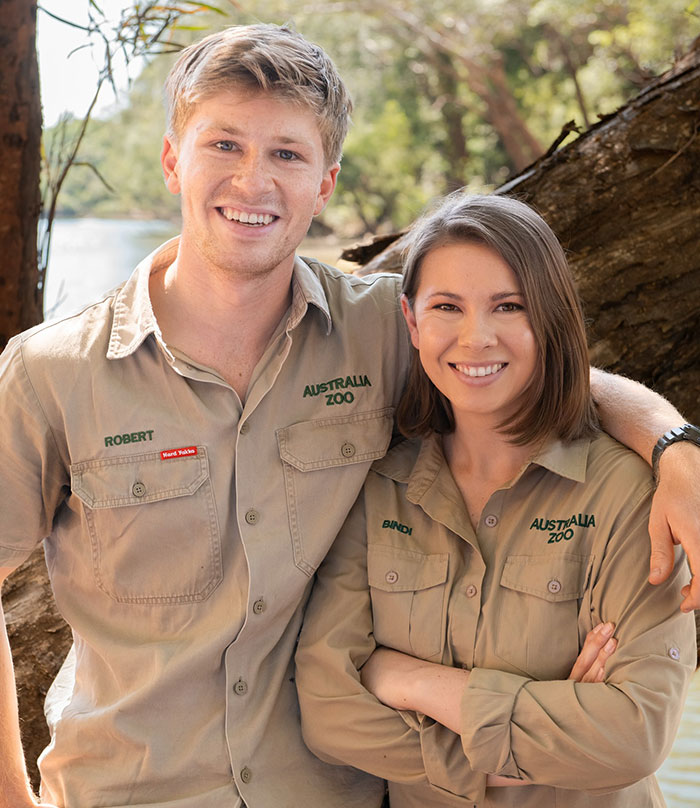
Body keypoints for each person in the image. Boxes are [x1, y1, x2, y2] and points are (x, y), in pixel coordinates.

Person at [0, 22, 697, 808]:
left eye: (287, 154)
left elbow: (538, 374)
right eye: (223, 145)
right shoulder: (51, 372)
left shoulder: (381, 328)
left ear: (326, 181)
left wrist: (675, 449)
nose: (252, 180)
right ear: (172, 161)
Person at [295, 193, 697, 807]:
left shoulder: (628, 494)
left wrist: (404, 678)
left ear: (550, 319)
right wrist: (543, 742)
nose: (475, 337)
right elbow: (327, 711)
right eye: (446, 307)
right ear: (411, 322)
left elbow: (631, 737)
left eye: (508, 306)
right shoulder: (379, 488)